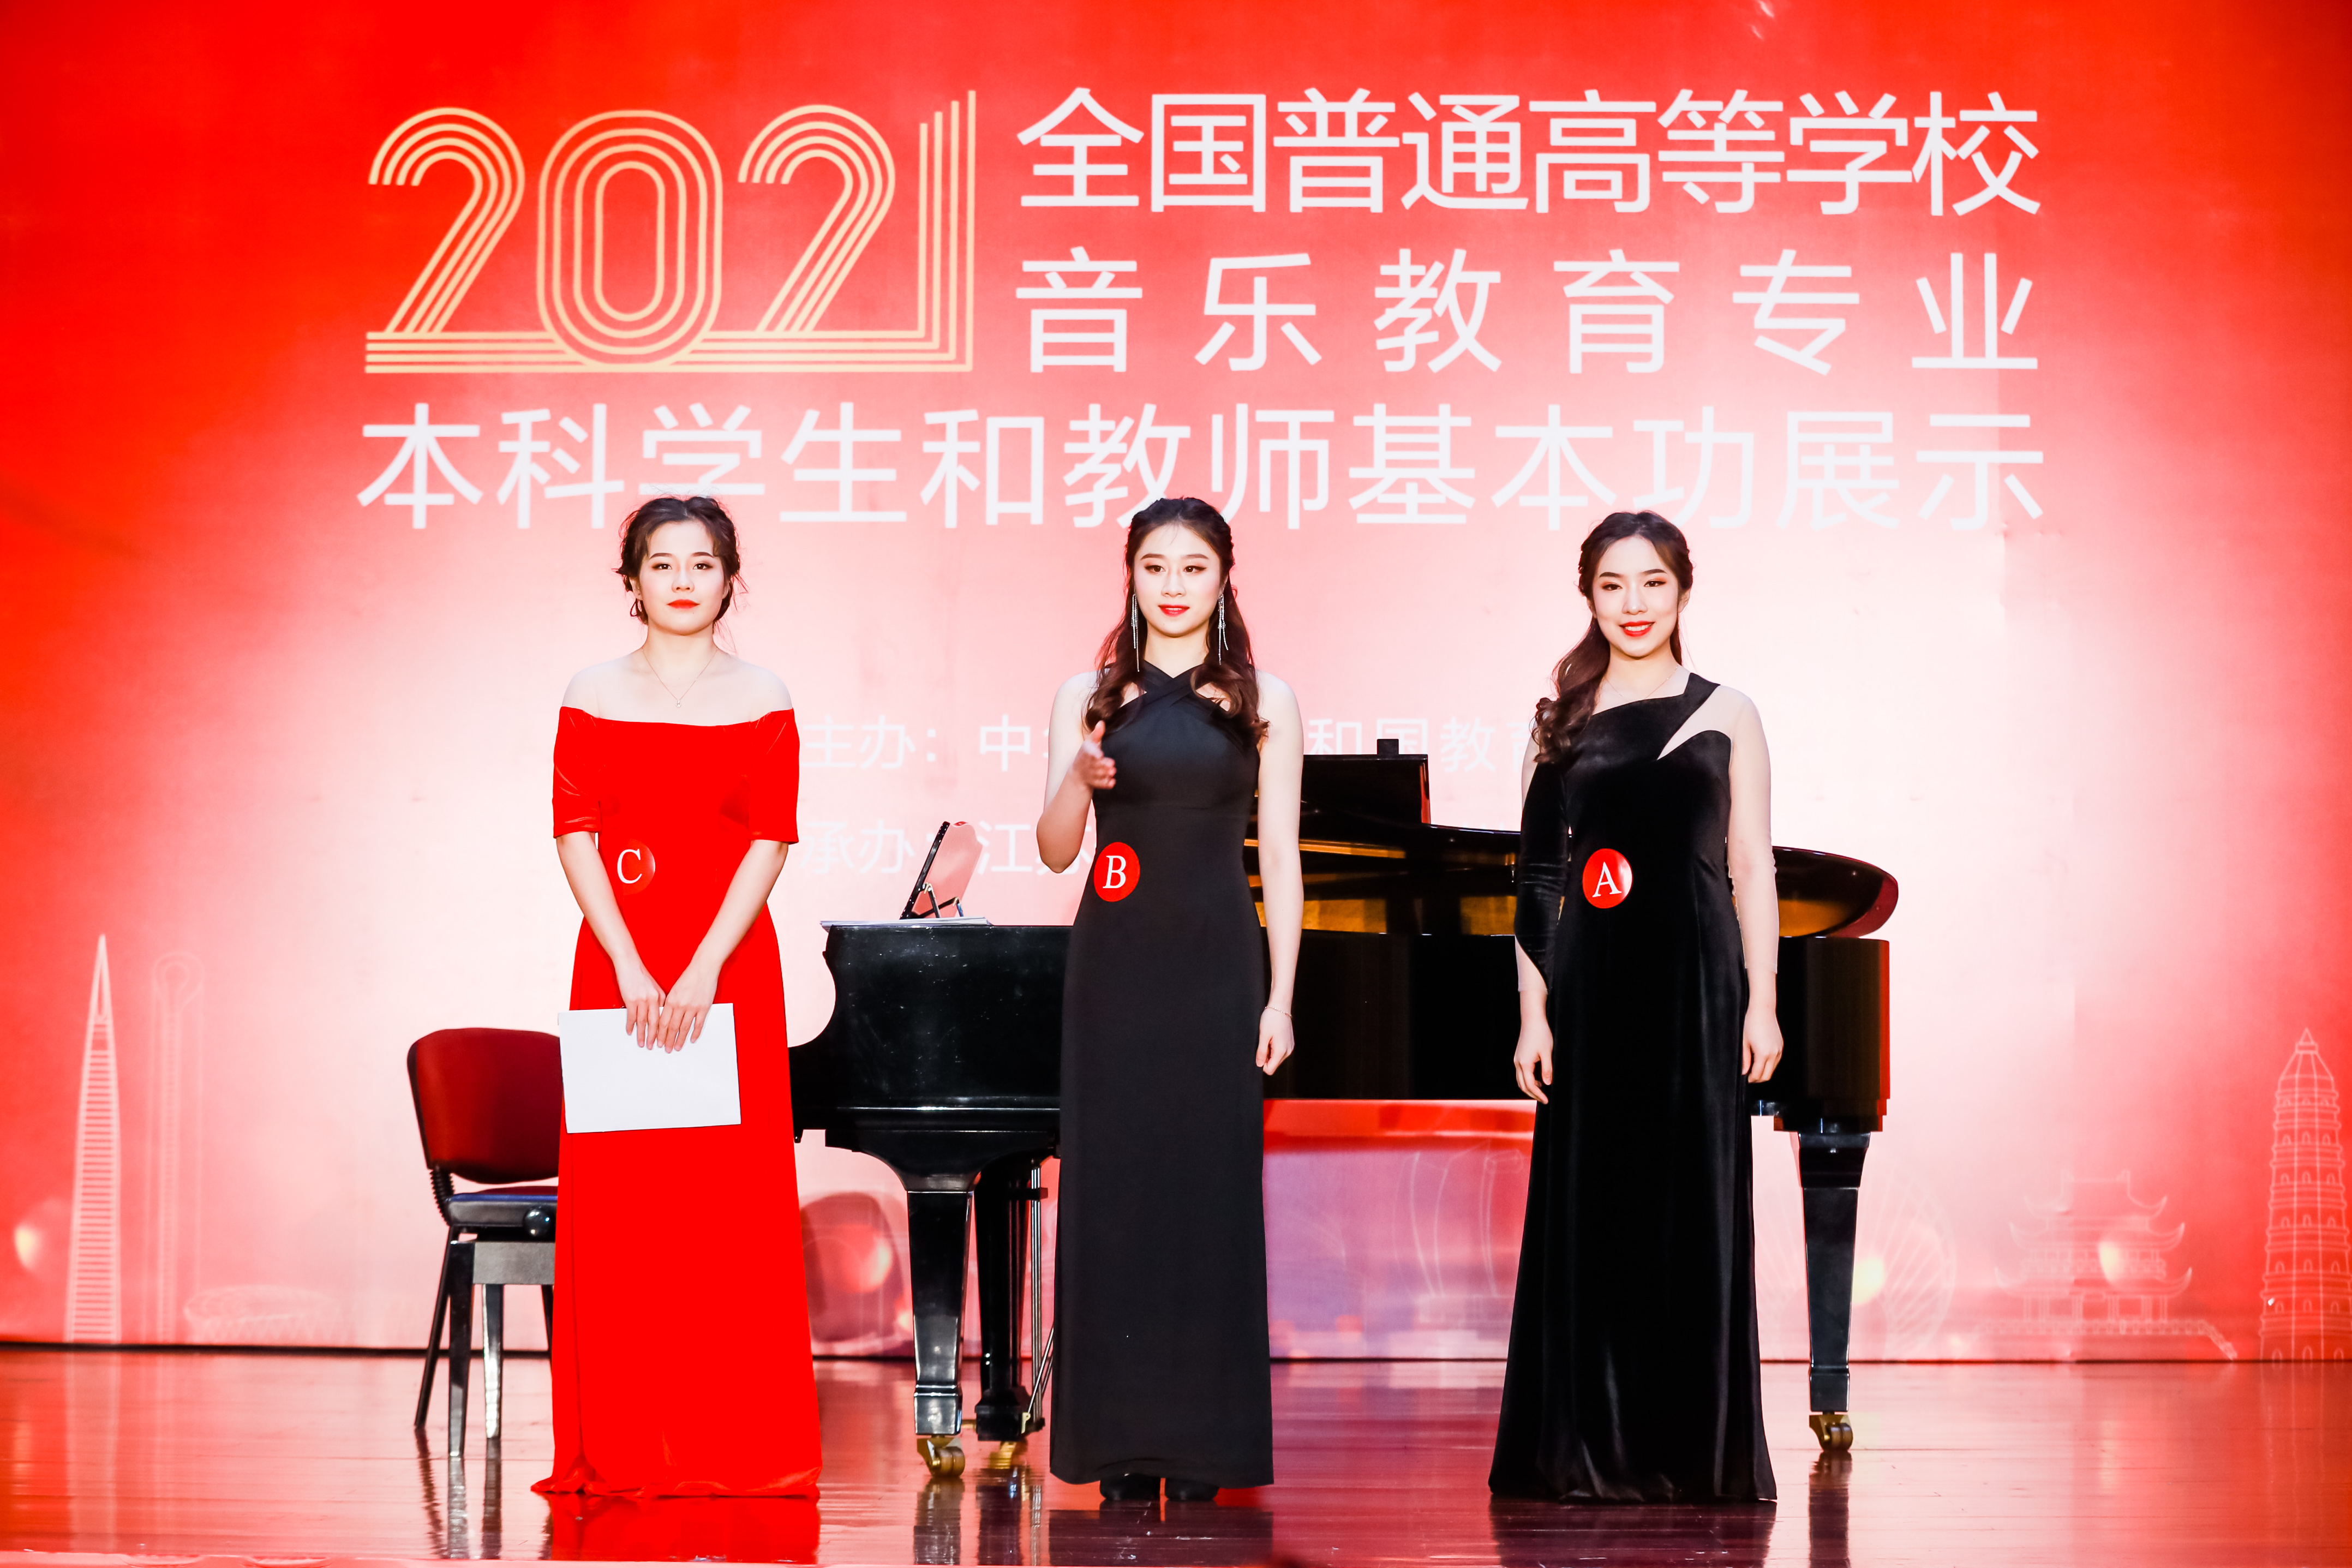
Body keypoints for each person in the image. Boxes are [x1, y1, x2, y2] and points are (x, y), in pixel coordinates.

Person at [1489, 511, 1781, 1504]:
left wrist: (1764, 1001)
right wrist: (1534, 1012)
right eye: (1613, 585)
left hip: (1699, 986)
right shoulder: (1560, 724)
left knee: (1690, 1212)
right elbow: (1538, 880)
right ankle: (1585, 1452)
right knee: (1594, 1215)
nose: (1634, 603)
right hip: (1592, 988)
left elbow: (1752, 868)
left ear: (1683, 590)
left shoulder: (1728, 712)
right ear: (1589, 596)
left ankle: (1693, 1450)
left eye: (1652, 582)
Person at [537, 495, 822, 1498]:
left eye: (703, 563)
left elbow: (770, 840)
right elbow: (574, 831)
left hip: (730, 968)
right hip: (616, 965)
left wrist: (703, 967)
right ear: (632, 582)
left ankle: (731, 1443)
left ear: (730, 579)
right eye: (663, 564)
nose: (684, 581)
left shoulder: (763, 693)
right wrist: (628, 961)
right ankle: (623, 1441)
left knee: (724, 1212)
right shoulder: (591, 689)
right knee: (628, 1209)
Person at [1035, 498, 1305, 1505]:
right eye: (1156, 566)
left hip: (1219, 968)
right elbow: (1056, 847)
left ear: (1224, 576)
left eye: (1195, 567)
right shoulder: (1088, 695)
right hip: (1114, 972)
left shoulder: (1264, 698)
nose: (1175, 585)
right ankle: (1117, 1447)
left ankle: (1201, 1451)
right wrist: (1080, 774)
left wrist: (1282, 997)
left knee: (1208, 1197)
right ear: (1132, 575)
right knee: (1115, 1198)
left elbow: (1282, 858)